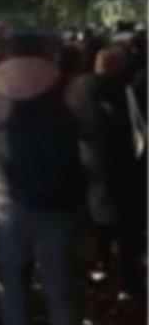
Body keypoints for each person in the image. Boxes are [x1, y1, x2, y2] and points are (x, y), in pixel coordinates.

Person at [0, 31, 85, 325]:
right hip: (62, 197)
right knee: (61, 285)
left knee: (15, 284)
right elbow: (88, 135)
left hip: (10, 198)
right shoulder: (68, 85)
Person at [67, 47, 145, 298]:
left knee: (102, 218)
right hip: (127, 166)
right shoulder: (129, 89)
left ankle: (101, 264)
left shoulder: (77, 90)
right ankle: (130, 281)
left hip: (90, 164)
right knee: (128, 226)